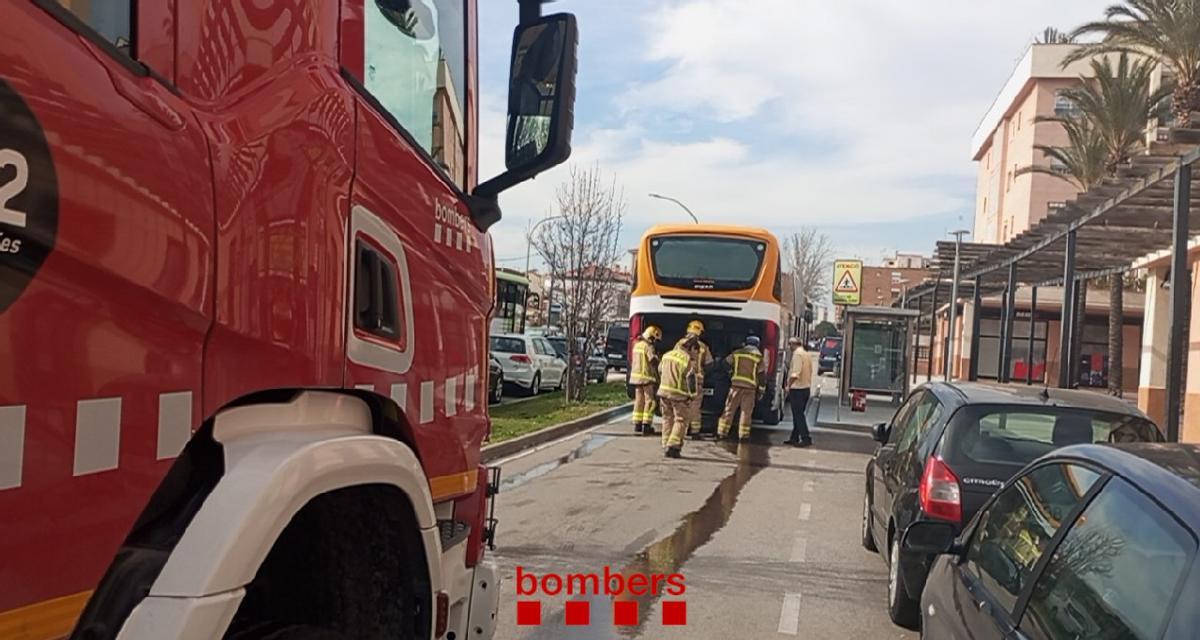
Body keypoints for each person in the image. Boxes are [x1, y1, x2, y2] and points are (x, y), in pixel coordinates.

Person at [718, 336, 766, 441]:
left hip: (735, 386)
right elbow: (761, 375)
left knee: (729, 410)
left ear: (745, 344)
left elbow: (724, 363)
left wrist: (731, 373)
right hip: (750, 389)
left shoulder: (737, 353)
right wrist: (761, 390)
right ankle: (743, 436)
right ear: (757, 345)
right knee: (746, 412)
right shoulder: (758, 357)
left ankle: (722, 433)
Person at [658, 335, 699, 458]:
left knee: (667, 418)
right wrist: (693, 394)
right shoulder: (685, 359)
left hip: (663, 393)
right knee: (680, 420)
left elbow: (660, 370)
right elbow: (691, 377)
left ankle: (665, 444)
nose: (694, 353)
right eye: (694, 350)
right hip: (678, 395)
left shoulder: (667, 355)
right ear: (690, 348)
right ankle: (673, 446)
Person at [675, 320, 713, 437]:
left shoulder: (680, 344)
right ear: (700, 332)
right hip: (697, 381)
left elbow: (674, 360)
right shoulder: (703, 347)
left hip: (682, 380)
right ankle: (695, 431)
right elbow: (709, 364)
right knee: (695, 406)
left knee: (682, 405)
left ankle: (683, 430)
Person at [629, 325, 662, 435]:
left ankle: (637, 424)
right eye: (655, 339)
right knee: (650, 401)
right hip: (646, 378)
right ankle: (646, 425)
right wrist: (659, 360)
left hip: (636, 378)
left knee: (639, 401)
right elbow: (652, 360)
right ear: (651, 337)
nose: (655, 342)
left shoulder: (637, 345)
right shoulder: (648, 347)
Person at [783, 336, 814, 447]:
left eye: (790, 344)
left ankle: (806, 438)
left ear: (794, 344)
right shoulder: (806, 354)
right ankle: (794, 437)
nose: (789, 347)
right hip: (806, 388)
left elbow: (795, 373)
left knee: (798, 415)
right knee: (798, 414)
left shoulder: (797, 355)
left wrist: (788, 385)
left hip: (797, 389)